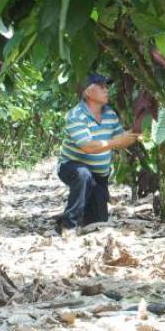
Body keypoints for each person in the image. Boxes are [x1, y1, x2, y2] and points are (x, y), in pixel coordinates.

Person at [55, 73, 140, 235]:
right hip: (71, 168)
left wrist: (137, 133)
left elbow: (121, 140)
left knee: (98, 223)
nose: (106, 90)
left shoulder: (110, 114)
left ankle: (69, 218)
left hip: (99, 176)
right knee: (83, 175)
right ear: (87, 92)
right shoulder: (76, 116)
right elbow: (87, 146)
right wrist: (116, 141)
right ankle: (68, 226)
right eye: (101, 87)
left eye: (106, 86)